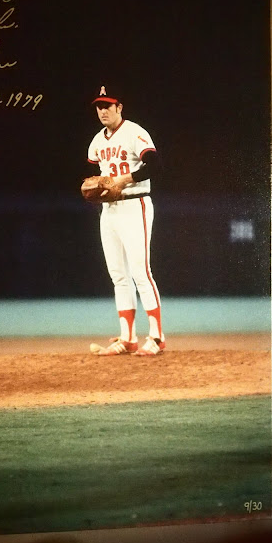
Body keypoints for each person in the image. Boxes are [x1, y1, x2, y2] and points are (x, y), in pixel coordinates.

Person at [86, 85, 165, 356]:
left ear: (119, 107)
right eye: (99, 106)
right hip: (109, 210)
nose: (103, 111)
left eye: (107, 105)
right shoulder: (97, 142)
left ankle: (157, 337)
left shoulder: (134, 132)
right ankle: (128, 338)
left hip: (135, 204)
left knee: (141, 272)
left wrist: (124, 179)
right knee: (118, 275)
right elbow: (96, 173)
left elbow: (155, 165)